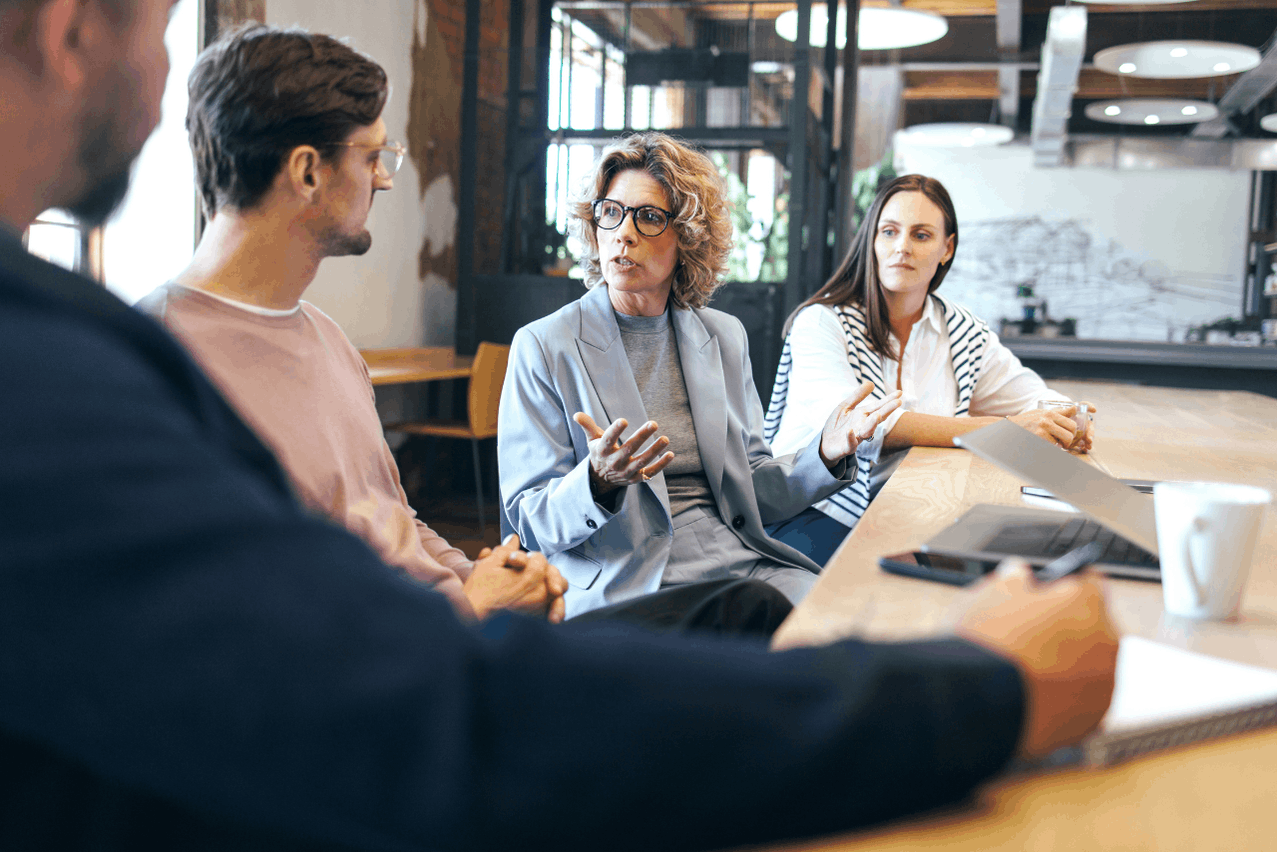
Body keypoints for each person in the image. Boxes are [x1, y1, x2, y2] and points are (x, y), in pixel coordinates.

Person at [0, 4, 1119, 849]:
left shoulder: (299, 346)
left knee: (780, 606)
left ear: (684, 239)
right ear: (64, 32)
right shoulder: (92, 373)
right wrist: (976, 692)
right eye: (152, 25)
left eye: (647, 220)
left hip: (525, 630)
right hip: (525, 651)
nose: (157, 86)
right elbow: (416, 710)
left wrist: (467, 572)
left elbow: (384, 551)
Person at [135, 25, 566, 624]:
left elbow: (396, 520)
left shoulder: (328, 337)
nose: (385, 179)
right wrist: (465, 611)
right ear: (308, 172)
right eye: (373, 158)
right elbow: (248, 620)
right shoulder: (155, 365)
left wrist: (490, 578)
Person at [498, 132, 904, 620]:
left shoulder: (723, 336)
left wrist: (824, 453)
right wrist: (597, 480)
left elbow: (753, 489)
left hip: (740, 563)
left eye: (648, 218)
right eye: (610, 212)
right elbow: (529, 521)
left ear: (687, 237)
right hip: (630, 577)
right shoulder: (544, 345)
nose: (623, 233)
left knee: (859, 623)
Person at [765, 174, 1095, 566]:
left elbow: (1035, 398)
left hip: (911, 507)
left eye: (920, 235)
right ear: (872, 240)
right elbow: (861, 427)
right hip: (814, 508)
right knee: (925, 573)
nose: (901, 247)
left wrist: (1068, 418)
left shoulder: (963, 330)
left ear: (946, 248)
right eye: (889, 232)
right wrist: (1006, 431)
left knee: (1020, 556)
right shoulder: (821, 323)